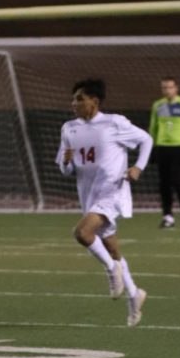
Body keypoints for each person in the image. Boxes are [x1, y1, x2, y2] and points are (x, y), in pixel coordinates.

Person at [57, 78, 152, 327]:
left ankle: (112, 271)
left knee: (81, 233)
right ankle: (134, 294)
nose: (74, 103)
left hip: (113, 192)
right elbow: (65, 171)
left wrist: (137, 168)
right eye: (74, 98)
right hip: (89, 195)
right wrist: (66, 161)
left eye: (79, 98)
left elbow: (146, 140)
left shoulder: (114, 123)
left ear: (94, 101)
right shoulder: (69, 128)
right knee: (111, 248)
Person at [148, 77, 180, 228]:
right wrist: (152, 146)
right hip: (162, 148)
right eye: (164, 88)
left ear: (176, 88)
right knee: (164, 184)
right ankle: (168, 216)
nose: (167, 90)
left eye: (170, 87)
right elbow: (153, 128)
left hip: (179, 148)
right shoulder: (157, 105)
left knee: (178, 182)